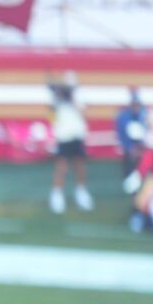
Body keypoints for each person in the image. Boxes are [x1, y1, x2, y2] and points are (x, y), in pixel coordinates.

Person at [49, 75, 93, 214]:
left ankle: (81, 192)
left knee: (80, 166)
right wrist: (58, 98)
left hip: (77, 135)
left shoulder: (79, 96)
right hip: (63, 137)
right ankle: (57, 194)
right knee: (61, 167)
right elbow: (51, 116)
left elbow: (83, 113)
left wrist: (72, 98)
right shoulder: (57, 98)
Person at [119, 87, 148, 193]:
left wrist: (141, 149)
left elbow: (146, 134)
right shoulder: (124, 116)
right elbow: (122, 134)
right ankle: (135, 201)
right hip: (130, 152)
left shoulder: (144, 115)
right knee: (131, 177)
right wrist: (130, 148)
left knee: (143, 176)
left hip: (143, 153)